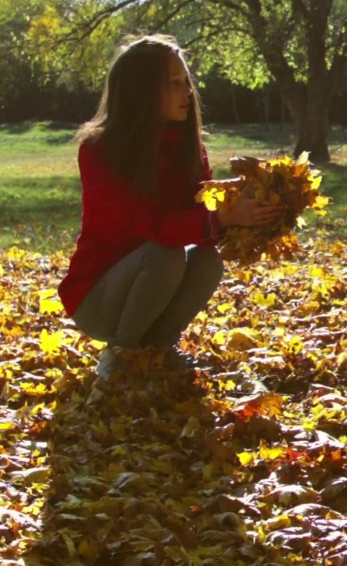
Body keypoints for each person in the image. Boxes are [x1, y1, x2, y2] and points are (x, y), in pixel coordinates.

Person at [57, 35, 282, 378]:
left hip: (153, 283)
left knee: (207, 260)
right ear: (143, 92)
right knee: (167, 253)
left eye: (186, 82)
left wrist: (244, 201)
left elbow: (202, 218)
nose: (187, 92)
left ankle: (159, 351)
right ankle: (120, 356)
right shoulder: (100, 151)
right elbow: (151, 225)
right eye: (174, 84)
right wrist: (222, 218)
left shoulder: (188, 146)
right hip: (98, 296)